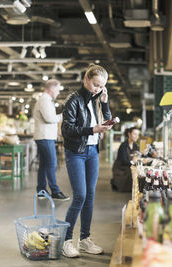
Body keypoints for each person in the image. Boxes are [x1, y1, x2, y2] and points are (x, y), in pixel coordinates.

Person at [61, 64, 112, 258]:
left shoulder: (96, 100)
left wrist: (105, 103)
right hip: (76, 152)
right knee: (80, 196)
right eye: (95, 84)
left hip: (92, 152)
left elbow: (106, 121)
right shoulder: (73, 100)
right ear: (86, 79)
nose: (97, 89)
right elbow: (66, 130)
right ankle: (66, 241)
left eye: (101, 86)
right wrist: (93, 130)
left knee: (90, 195)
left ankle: (84, 240)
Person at [33, 79, 69, 200]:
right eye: (58, 90)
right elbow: (49, 118)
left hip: (45, 136)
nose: (58, 93)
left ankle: (41, 190)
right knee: (52, 163)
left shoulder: (46, 100)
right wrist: (62, 116)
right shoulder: (44, 100)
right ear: (52, 88)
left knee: (44, 164)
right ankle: (55, 191)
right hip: (45, 137)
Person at [111, 127, 140, 192]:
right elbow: (124, 161)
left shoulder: (135, 146)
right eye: (135, 134)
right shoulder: (123, 146)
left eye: (138, 135)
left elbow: (137, 156)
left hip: (129, 167)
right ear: (129, 134)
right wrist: (134, 161)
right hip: (121, 169)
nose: (136, 136)